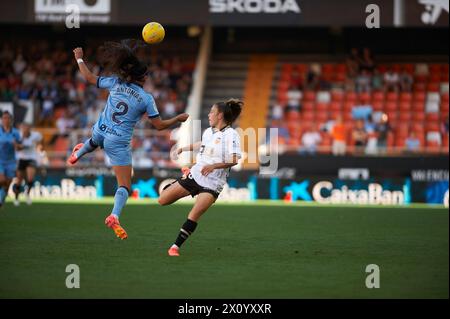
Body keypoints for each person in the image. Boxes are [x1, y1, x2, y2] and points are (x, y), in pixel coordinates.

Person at [67, 40, 189, 239]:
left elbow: (88, 77)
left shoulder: (116, 82)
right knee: (124, 186)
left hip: (101, 130)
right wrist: (177, 119)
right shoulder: (146, 98)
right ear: (144, 77)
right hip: (118, 141)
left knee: (94, 140)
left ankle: (78, 153)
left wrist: (79, 57)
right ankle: (115, 215)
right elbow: (158, 126)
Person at [158, 99, 243, 256]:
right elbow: (202, 144)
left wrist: (213, 166)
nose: (209, 114)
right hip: (195, 175)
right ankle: (182, 178)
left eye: (212, 112)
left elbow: (234, 159)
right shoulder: (209, 131)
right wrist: (183, 148)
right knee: (162, 200)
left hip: (213, 184)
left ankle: (175, 247)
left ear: (220, 115)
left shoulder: (232, 135)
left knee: (194, 213)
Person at [12, 123, 43, 206]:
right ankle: (16, 197)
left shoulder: (35, 135)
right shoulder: (19, 136)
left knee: (30, 179)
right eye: (24, 128)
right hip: (21, 159)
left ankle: (27, 194)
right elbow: (17, 148)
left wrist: (37, 146)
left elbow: (40, 141)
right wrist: (21, 143)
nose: (26, 129)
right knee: (19, 180)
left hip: (31, 159)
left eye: (27, 128)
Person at [0, 111, 22, 208]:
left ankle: (1, 200)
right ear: (1, 120)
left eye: (8, 118)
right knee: (2, 179)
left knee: (7, 184)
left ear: (11, 120)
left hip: (11, 162)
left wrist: (16, 145)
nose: (6, 120)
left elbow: (21, 147)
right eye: (4, 118)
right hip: (0, 160)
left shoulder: (16, 133)